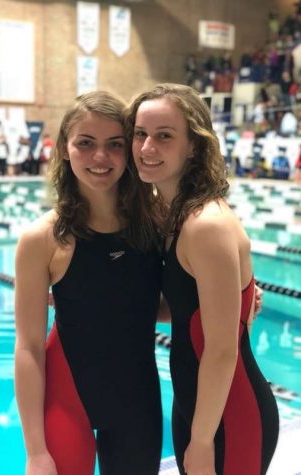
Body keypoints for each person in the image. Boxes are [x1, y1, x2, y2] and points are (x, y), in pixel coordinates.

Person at [126, 83, 279, 475]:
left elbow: (222, 350)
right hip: (198, 405)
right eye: (140, 134)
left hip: (229, 413)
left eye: (164, 136)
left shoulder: (205, 225)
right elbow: (182, 311)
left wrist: (203, 440)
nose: (146, 148)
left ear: (193, 146)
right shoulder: (175, 214)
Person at [14, 91, 163, 475]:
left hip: (137, 402)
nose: (101, 158)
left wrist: (237, 292)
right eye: (85, 143)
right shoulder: (42, 238)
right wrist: (34, 452)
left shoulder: (154, 223)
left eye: (114, 145)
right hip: (68, 399)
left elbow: (156, 307)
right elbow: (29, 348)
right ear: (65, 148)